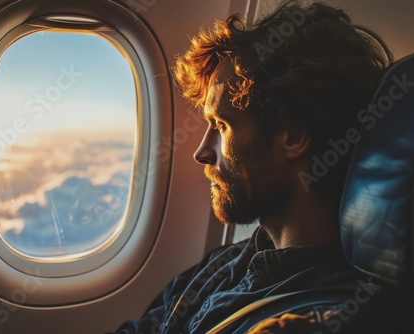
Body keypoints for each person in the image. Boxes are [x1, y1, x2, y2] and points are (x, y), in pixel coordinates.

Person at [111, 1, 405, 333]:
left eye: (221, 126)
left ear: (292, 137)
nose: (201, 153)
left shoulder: (320, 317)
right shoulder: (226, 262)